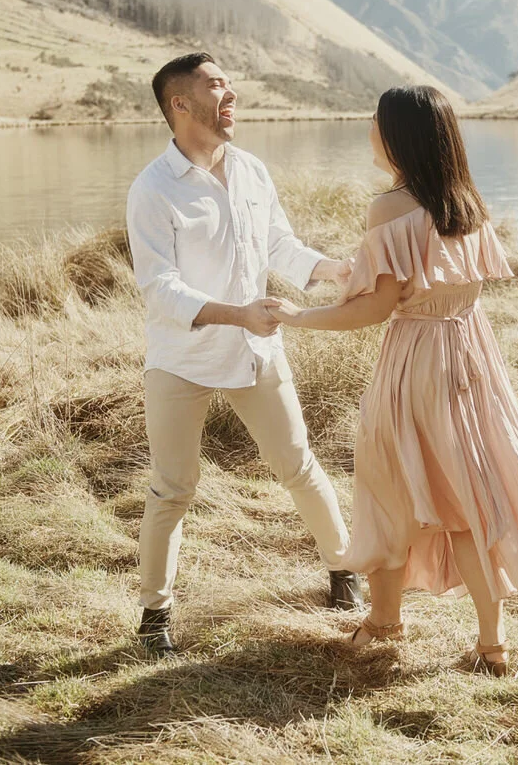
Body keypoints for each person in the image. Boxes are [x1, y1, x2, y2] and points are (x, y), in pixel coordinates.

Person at [268, 85, 518, 676]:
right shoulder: (464, 201)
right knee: (465, 495)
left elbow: (372, 309)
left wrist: (296, 317)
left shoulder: (391, 208)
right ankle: (492, 642)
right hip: (470, 354)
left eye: (374, 119)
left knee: (391, 482)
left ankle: (386, 620)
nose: (368, 127)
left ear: (397, 136)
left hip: (417, 362)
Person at [124, 51, 361, 657]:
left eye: (229, 82)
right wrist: (236, 313)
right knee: (171, 490)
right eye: (216, 85)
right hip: (180, 360)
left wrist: (330, 268)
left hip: (257, 351)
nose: (231, 94)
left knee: (300, 465)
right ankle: (155, 617)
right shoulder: (152, 189)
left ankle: (344, 572)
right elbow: (160, 289)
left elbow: (278, 243)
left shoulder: (252, 170)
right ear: (180, 104)